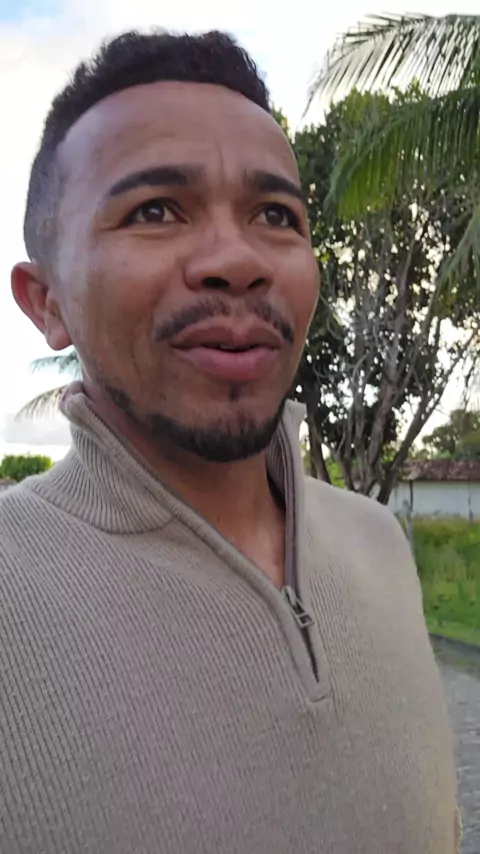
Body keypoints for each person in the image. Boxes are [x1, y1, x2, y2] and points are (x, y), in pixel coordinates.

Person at [1, 30, 460, 854]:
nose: (237, 260)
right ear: (47, 302)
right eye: (155, 210)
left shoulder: (380, 544)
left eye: (275, 216)